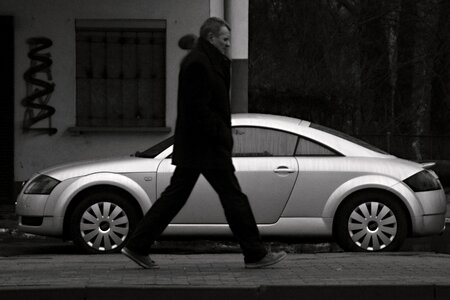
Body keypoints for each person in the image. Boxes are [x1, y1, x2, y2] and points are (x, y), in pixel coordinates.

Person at [122, 17, 287, 269]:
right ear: (211, 38)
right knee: (233, 197)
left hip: (199, 145)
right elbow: (198, 108)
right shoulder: (199, 63)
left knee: (177, 196)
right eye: (224, 39)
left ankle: (137, 245)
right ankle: (255, 253)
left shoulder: (204, 60)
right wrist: (220, 133)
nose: (228, 44)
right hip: (205, 145)